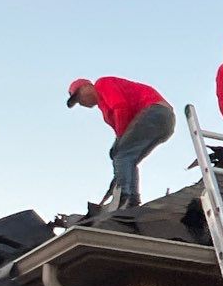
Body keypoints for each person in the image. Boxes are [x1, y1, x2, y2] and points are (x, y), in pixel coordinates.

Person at [67, 76, 175, 207]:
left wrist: (119, 145)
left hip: (155, 112)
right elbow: (124, 130)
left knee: (122, 156)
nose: (81, 102)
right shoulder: (104, 108)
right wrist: (117, 146)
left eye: (79, 97)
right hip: (162, 121)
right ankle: (132, 201)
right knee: (127, 158)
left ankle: (125, 197)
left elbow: (121, 107)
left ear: (86, 86)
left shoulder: (102, 84)